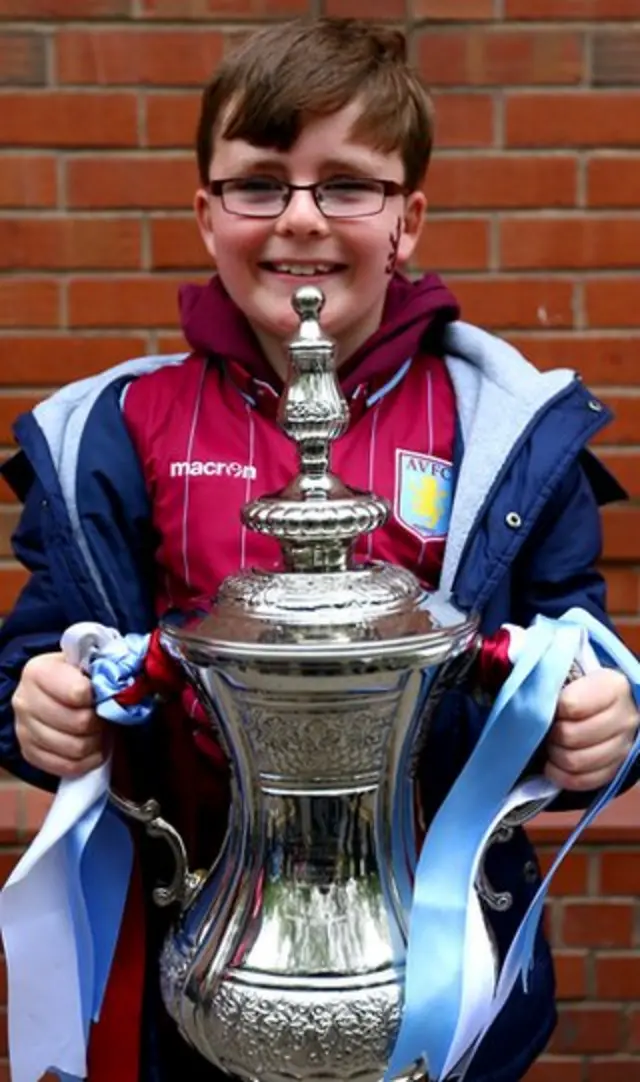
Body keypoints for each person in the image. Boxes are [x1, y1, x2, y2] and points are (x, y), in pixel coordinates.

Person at [0, 16, 637, 1082]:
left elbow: (577, 644)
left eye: (347, 183)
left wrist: (591, 725)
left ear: (407, 218)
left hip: (446, 974)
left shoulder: (507, 432)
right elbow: (32, 651)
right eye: (258, 183)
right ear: (207, 215)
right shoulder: (113, 431)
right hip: (192, 963)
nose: (300, 219)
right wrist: (39, 702)